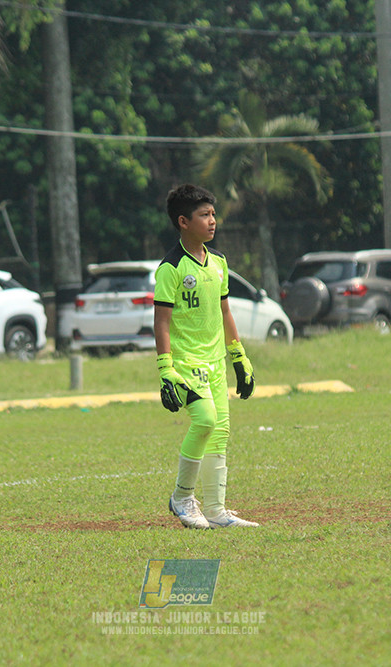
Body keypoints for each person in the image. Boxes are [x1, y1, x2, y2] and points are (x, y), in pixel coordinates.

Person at [153, 183, 259, 529]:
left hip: (215, 364)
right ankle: (182, 497)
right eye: (204, 215)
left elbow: (225, 312)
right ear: (183, 221)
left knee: (220, 430)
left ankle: (216, 510)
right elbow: (162, 322)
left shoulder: (219, 263)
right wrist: (165, 369)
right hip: (186, 364)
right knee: (205, 420)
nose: (212, 221)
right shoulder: (171, 268)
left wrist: (238, 356)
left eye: (213, 214)